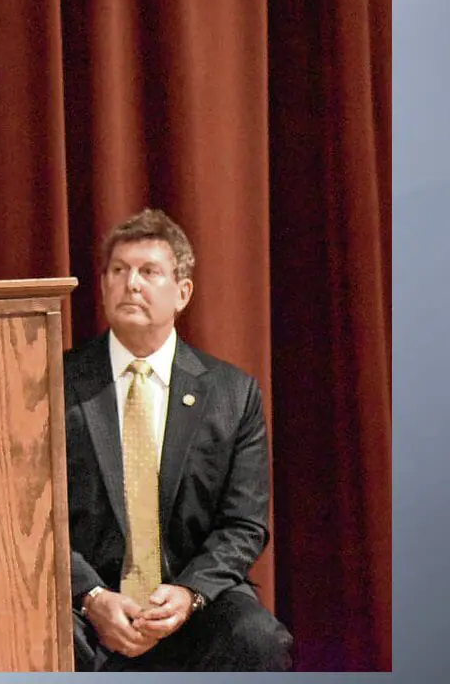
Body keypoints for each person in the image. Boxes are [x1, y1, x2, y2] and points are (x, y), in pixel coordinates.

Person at [64, 209, 293, 671]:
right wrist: (91, 596)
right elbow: (32, 519)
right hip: (86, 610)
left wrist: (190, 594)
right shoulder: (56, 384)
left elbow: (244, 524)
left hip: (190, 604)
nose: (131, 284)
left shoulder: (232, 393)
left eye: (149, 272)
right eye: (118, 271)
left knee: (258, 640)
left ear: (182, 292)